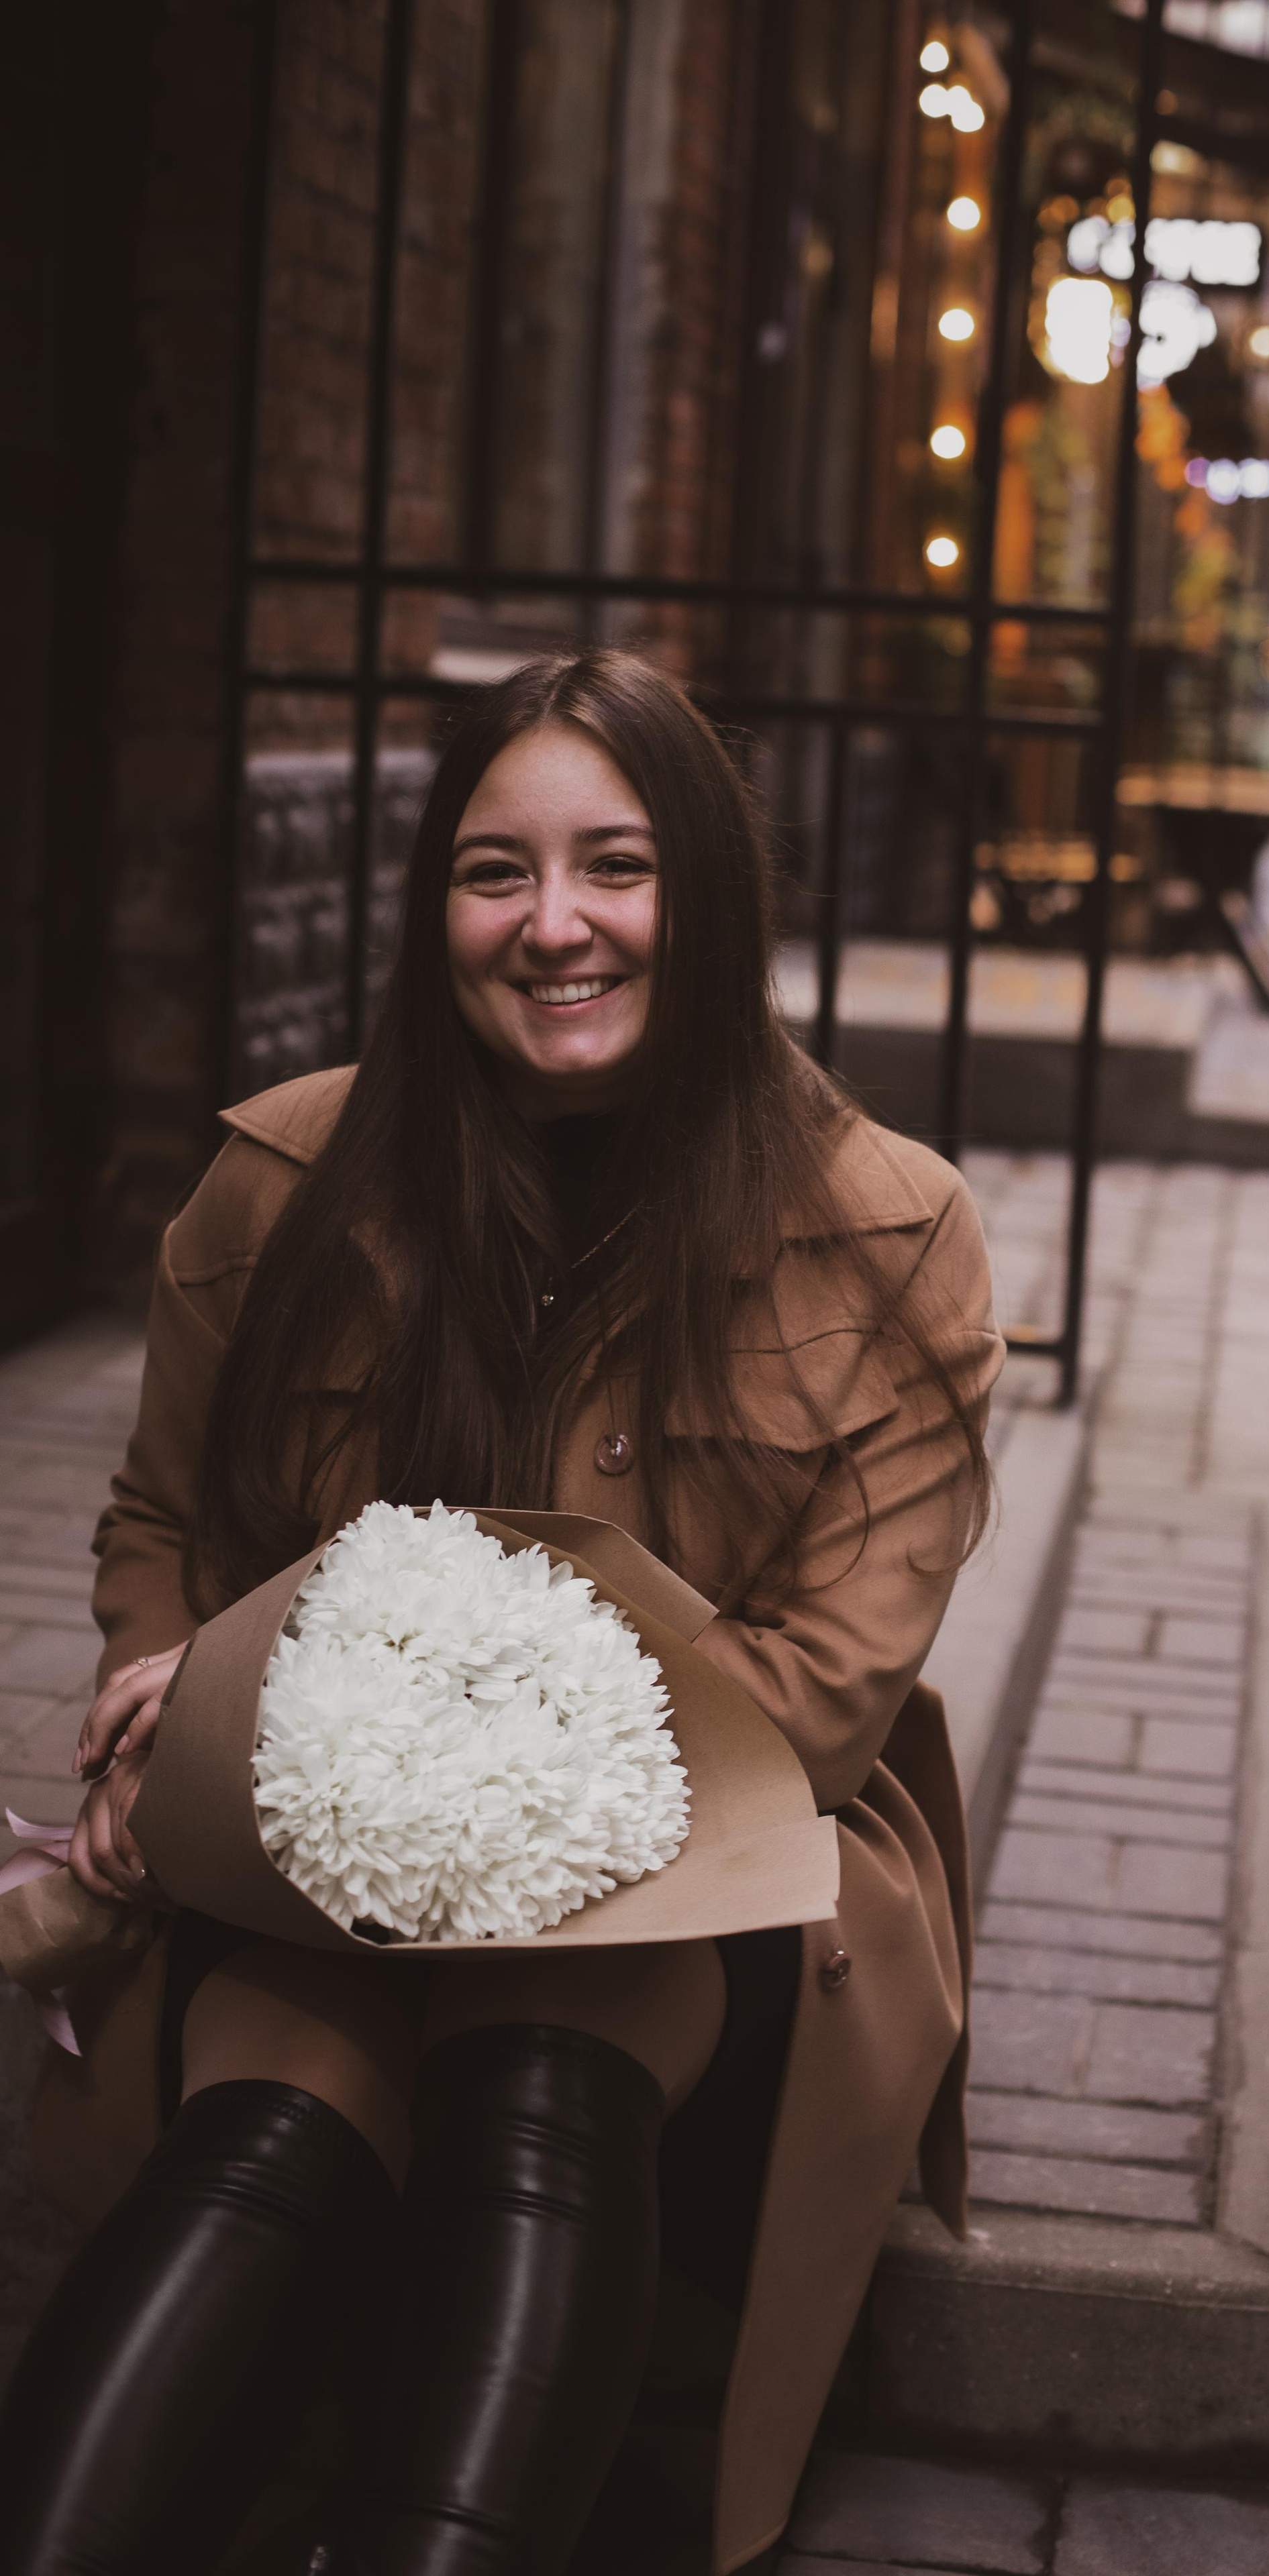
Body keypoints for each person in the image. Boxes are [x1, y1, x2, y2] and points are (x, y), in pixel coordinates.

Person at [0, 651, 1001, 2575]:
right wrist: (158, 1695)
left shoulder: (891, 1231)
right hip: (321, 1869)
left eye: (617, 866)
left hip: (704, 1878)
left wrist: (347, 1748)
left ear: (711, 899)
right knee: (276, 2124)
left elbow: (813, 1705)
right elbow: (166, 1520)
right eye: (493, 872)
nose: (555, 925)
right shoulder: (282, 1181)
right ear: (432, 906)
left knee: (537, 2048)